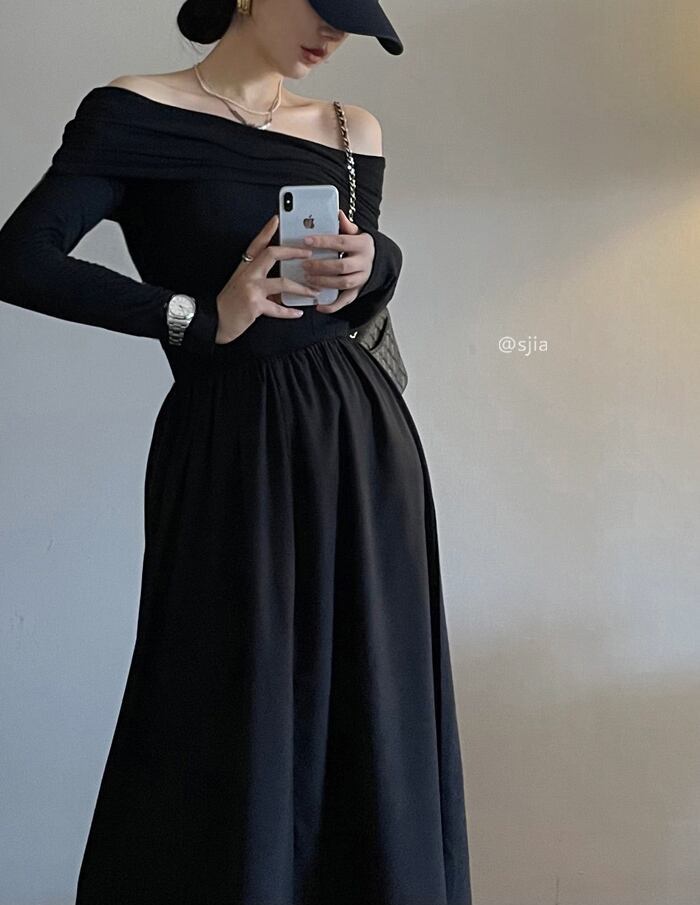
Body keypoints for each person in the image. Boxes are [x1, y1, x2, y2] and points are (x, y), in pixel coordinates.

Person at [0, 0, 473, 902]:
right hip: (231, 443)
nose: (336, 34)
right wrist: (194, 315)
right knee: (223, 692)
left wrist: (374, 260)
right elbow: (21, 258)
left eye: (353, 20)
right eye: (325, 7)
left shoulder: (350, 128)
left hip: (360, 444)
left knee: (375, 693)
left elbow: (346, 304)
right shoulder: (133, 111)